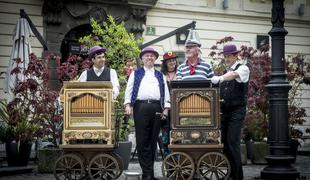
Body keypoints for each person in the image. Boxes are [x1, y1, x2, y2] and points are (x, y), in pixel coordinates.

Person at [124, 47, 170, 180]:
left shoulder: (160, 75)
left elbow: (165, 93)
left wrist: (166, 109)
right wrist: (127, 104)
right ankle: (147, 173)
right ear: (142, 58)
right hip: (140, 107)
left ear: (155, 59)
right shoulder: (136, 73)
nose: (149, 58)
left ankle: (150, 173)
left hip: (156, 107)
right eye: (147, 56)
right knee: (142, 140)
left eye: (152, 56)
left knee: (153, 139)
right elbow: (129, 89)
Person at [211, 44, 250, 180]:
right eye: (225, 56)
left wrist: (220, 78)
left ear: (235, 55)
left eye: (229, 56)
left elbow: (233, 75)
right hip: (224, 112)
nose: (226, 58)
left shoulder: (243, 68)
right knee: (224, 143)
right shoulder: (225, 71)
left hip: (236, 111)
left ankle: (237, 177)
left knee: (232, 142)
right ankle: (230, 174)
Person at [159, 51, 178, 157]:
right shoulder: (161, 75)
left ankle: (179, 160)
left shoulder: (180, 73)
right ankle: (168, 162)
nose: (172, 62)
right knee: (166, 134)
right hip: (165, 109)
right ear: (165, 63)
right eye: (169, 61)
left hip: (178, 109)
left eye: (173, 60)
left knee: (178, 134)